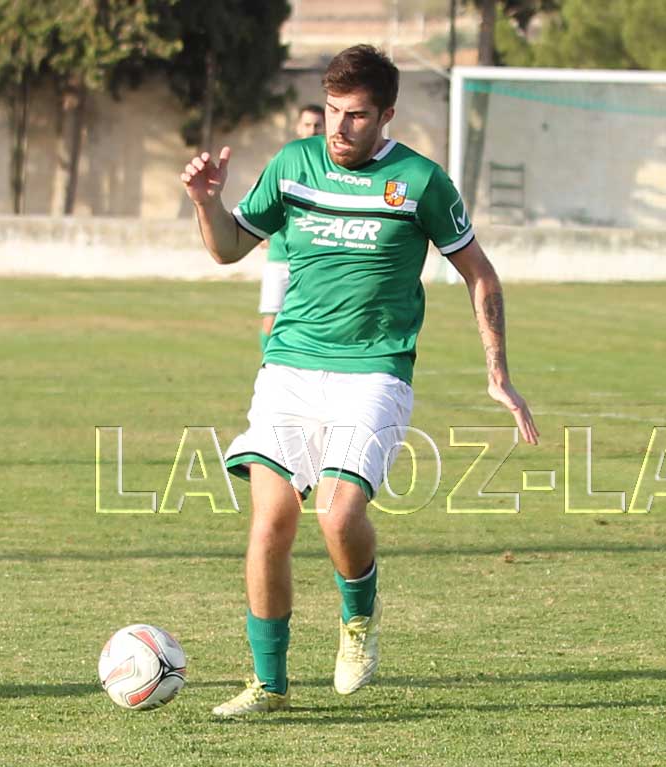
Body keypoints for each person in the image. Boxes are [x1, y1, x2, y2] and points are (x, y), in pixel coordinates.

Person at [181, 44, 539, 717]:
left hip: (375, 371)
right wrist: (207, 202)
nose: (340, 128)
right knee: (270, 523)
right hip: (288, 367)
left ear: (386, 116)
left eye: (357, 116)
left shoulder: (420, 182)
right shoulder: (293, 165)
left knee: (338, 514)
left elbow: (480, 274)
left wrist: (498, 372)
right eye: (333, 111)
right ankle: (269, 684)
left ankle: (358, 619)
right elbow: (228, 248)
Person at [259, 105, 325, 352]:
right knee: (271, 322)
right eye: (307, 125)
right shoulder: (285, 162)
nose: (312, 130)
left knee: (314, 324)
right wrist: (261, 229)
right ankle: (267, 366)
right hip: (280, 257)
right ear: (298, 128)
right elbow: (264, 200)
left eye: (317, 125)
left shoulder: (332, 168)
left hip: (315, 260)